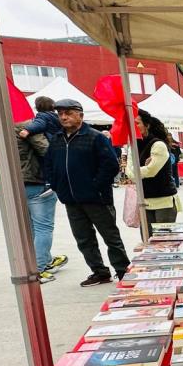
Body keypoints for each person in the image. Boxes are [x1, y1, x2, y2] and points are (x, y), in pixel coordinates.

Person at [43, 98, 128, 286]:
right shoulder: (56, 139)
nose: (63, 117)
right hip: (71, 200)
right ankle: (99, 272)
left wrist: (95, 186)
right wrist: (57, 185)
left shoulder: (95, 137)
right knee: (83, 239)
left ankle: (123, 271)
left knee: (111, 238)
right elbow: (48, 164)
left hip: (97, 199)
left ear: (80, 115)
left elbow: (110, 165)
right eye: (60, 114)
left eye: (68, 113)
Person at [4, 120, 67, 282]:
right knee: (43, 227)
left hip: (12, 184)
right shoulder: (26, 128)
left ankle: (43, 261)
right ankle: (38, 269)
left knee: (31, 227)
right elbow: (46, 150)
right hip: (35, 181)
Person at [135, 109, 179, 225]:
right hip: (144, 199)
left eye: (137, 123)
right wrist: (137, 171)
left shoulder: (158, 144)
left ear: (147, 125)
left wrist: (135, 172)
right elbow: (130, 171)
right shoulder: (135, 144)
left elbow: (150, 171)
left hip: (163, 200)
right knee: (146, 235)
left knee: (163, 236)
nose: (133, 126)